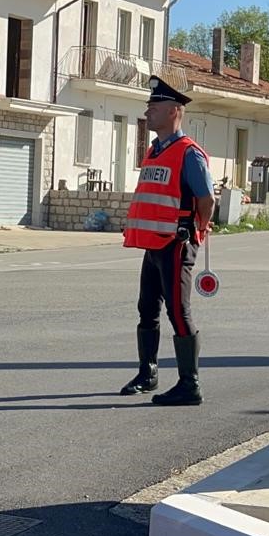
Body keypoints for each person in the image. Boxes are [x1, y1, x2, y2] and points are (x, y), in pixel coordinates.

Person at [118, 75, 216, 406]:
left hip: (176, 244)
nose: (148, 112)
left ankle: (190, 384)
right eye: (148, 107)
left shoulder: (189, 153)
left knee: (178, 311)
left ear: (174, 111)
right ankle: (148, 374)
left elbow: (207, 199)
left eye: (154, 107)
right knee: (147, 308)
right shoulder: (154, 151)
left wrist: (197, 229)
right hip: (153, 244)